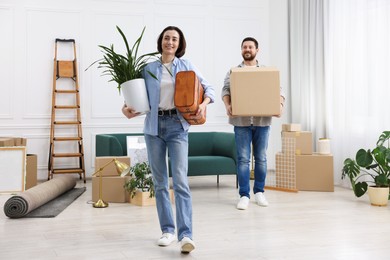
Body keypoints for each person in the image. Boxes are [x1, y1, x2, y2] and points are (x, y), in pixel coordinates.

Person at [122, 26, 215, 253]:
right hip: (153, 127)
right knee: (160, 182)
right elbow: (135, 96)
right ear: (161, 42)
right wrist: (126, 108)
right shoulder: (149, 68)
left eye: (174, 39)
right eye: (166, 38)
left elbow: (208, 88)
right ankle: (167, 231)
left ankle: (186, 235)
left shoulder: (187, 66)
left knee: (181, 181)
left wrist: (202, 105)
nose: (170, 42)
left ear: (179, 43)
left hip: (177, 126)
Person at [221, 37, 285, 210]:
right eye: (244, 47)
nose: (247, 49)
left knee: (261, 159)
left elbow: (278, 90)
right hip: (240, 122)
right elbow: (225, 90)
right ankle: (244, 195)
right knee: (243, 160)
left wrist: (279, 105)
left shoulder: (266, 71)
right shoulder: (234, 71)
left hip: (262, 121)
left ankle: (259, 192)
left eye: (250, 47)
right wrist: (228, 105)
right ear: (241, 50)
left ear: (257, 49)